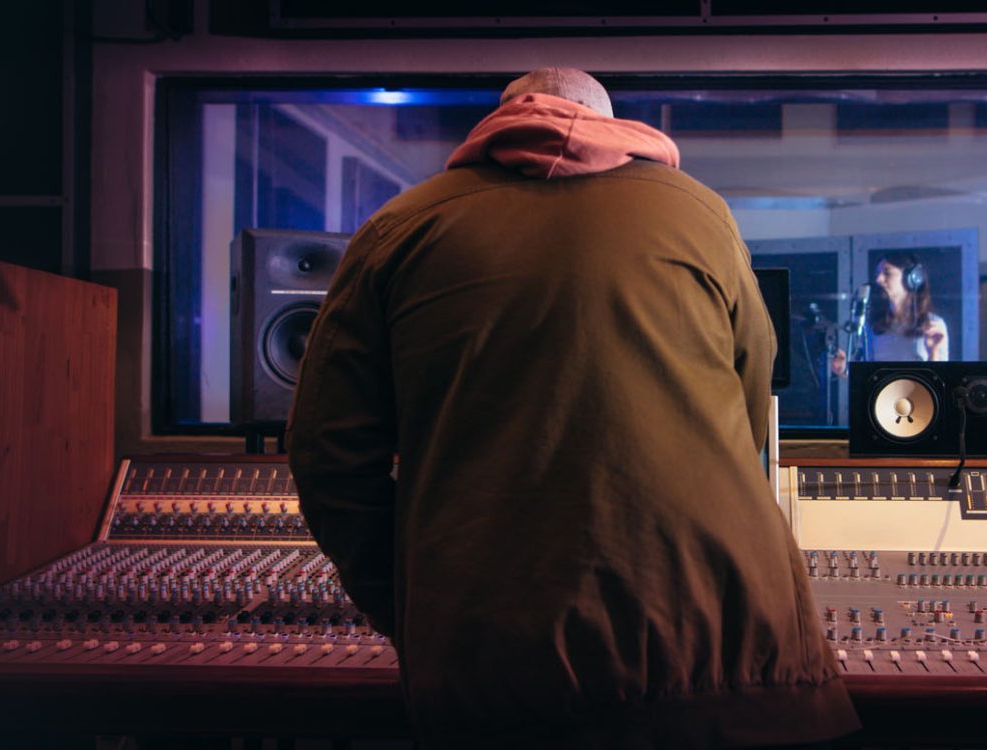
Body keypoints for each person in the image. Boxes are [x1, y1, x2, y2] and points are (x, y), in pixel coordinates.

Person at [287, 68, 858, 749]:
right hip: (741, 670)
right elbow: (752, 398)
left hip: (496, 679)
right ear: (613, 122)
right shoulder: (700, 213)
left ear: (497, 123)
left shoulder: (397, 231)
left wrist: (413, 603)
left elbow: (327, 455)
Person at [830, 252, 950, 376]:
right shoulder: (872, 325)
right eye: (878, 274)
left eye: (887, 273)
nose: (878, 279)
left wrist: (933, 352)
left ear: (912, 279)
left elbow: (940, 380)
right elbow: (867, 377)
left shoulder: (933, 325)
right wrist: (844, 369)